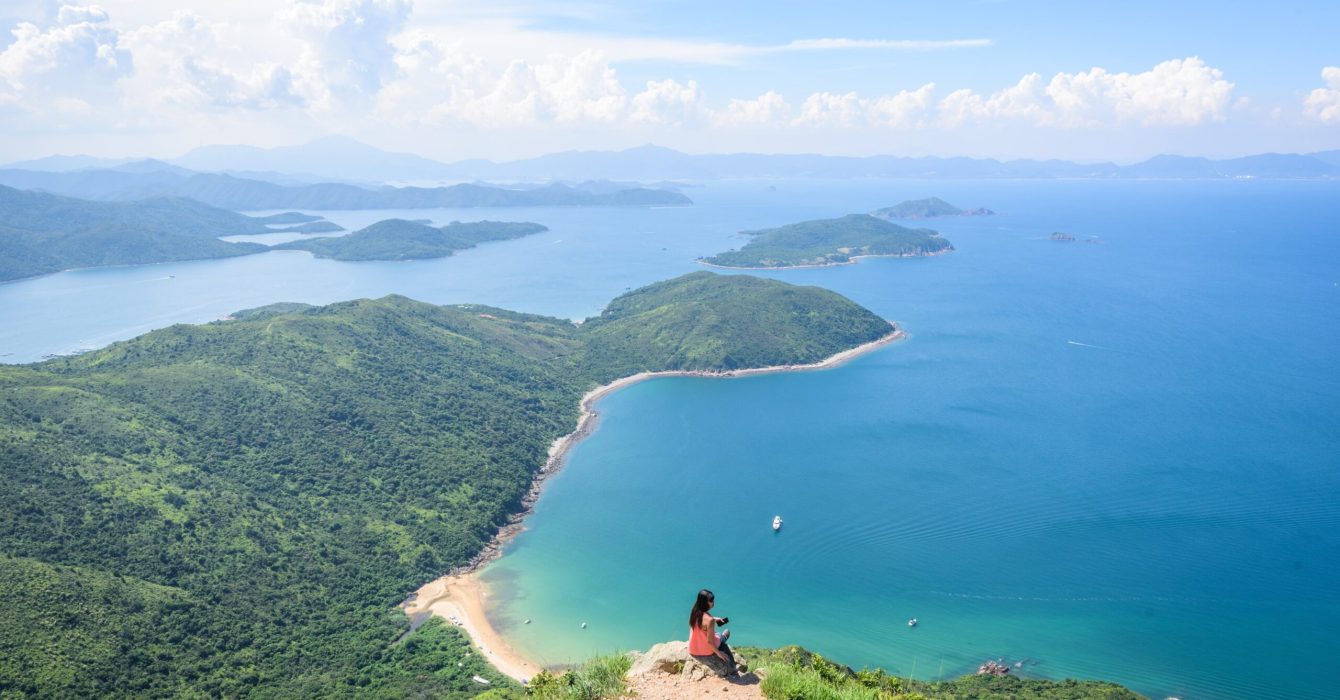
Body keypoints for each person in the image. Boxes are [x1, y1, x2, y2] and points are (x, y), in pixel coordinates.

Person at [687, 588, 744, 675]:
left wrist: (714, 619)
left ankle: (721, 637)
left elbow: (702, 622)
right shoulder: (709, 620)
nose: (713, 602)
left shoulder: (695, 611)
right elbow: (710, 642)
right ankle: (723, 637)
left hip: (693, 648)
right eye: (711, 601)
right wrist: (719, 653)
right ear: (705, 602)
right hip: (705, 650)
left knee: (715, 634)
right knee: (723, 635)